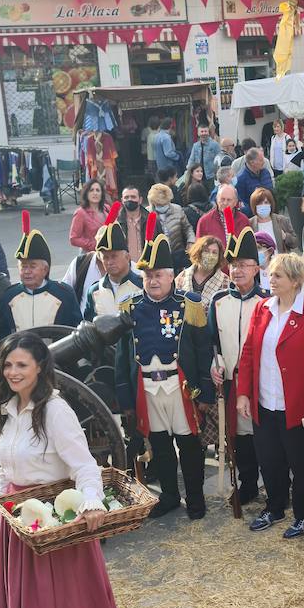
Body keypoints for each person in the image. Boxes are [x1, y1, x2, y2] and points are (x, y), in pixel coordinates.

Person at [0, 331, 145, 608]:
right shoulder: (8, 409)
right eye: (8, 364)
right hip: (21, 524)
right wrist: (1, 524)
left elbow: (84, 465)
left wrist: (91, 503)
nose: (13, 372)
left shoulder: (56, 411)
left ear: (41, 367)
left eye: (21, 364)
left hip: (57, 524)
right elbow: (7, 471)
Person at [116, 215, 214, 521]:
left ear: (172, 276)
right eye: (147, 276)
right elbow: (121, 358)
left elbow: (203, 352)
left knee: (189, 446)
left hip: (180, 388)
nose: (152, 281)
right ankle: (170, 496)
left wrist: (205, 393)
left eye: (158, 275)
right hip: (147, 389)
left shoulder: (190, 305)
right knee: (159, 447)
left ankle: (195, 499)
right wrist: (125, 401)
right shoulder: (130, 308)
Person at [236, 252, 304, 539]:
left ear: (295, 280)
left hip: (297, 405)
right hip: (265, 400)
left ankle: (303, 515)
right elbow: (249, 351)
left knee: (301, 463)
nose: (270, 279)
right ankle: (275, 506)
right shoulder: (263, 308)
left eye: (277, 275)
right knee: (269, 458)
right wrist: (244, 394)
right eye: (271, 274)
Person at [208, 214, 266, 505]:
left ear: (256, 267)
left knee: (263, 436)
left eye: (243, 265)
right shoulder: (218, 301)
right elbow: (213, 344)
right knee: (240, 438)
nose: (237, 270)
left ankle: (272, 483)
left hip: (262, 383)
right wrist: (214, 362)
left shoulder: (266, 302)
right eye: (233, 265)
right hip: (232, 381)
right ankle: (247, 484)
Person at [0, 211, 82, 337]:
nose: (27, 271)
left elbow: (75, 332)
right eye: (23, 266)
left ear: (45, 269)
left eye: (32, 266)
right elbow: (2, 334)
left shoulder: (64, 294)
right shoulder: (10, 296)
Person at [85, 209, 143, 321]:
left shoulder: (141, 286)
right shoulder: (95, 290)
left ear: (127, 256)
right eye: (105, 257)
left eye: (114, 256)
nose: (109, 262)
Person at [146, 182, 195, 268]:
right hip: (157, 256)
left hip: (177, 253)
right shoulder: (147, 214)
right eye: (159, 205)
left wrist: (191, 241)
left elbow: (187, 228)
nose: (162, 206)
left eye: (164, 204)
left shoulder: (178, 209)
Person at [176, 234, 228, 301]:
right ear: (198, 253)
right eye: (206, 251)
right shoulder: (182, 276)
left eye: (214, 253)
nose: (210, 256)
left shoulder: (225, 282)